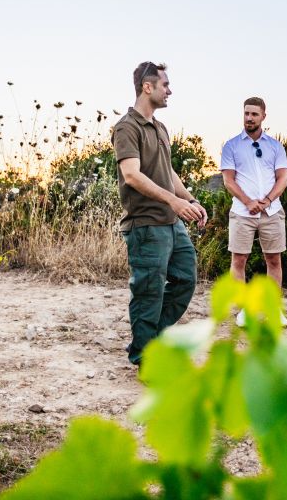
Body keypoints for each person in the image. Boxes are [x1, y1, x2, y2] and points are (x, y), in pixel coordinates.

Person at [113, 61, 208, 366]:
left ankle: (153, 340)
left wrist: (189, 200)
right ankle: (143, 356)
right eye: (165, 85)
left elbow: (168, 172)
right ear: (148, 87)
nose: (170, 90)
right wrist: (174, 202)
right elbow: (132, 175)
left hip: (171, 222)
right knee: (148, 291)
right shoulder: (126, 128)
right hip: (145, 224)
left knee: (185, 280)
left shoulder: (161, 127)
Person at [220, 97, 287, 327]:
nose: (249, 118)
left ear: (263, 116)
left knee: (274, 259)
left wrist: (268, 200)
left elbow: (283, 178)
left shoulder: (275, 146)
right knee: (239, 259)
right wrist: (248, 201)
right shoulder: (231, 146)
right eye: (246, 113)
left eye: (254, 114)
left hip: (272, 212)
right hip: (242, 212)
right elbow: (228, 181)